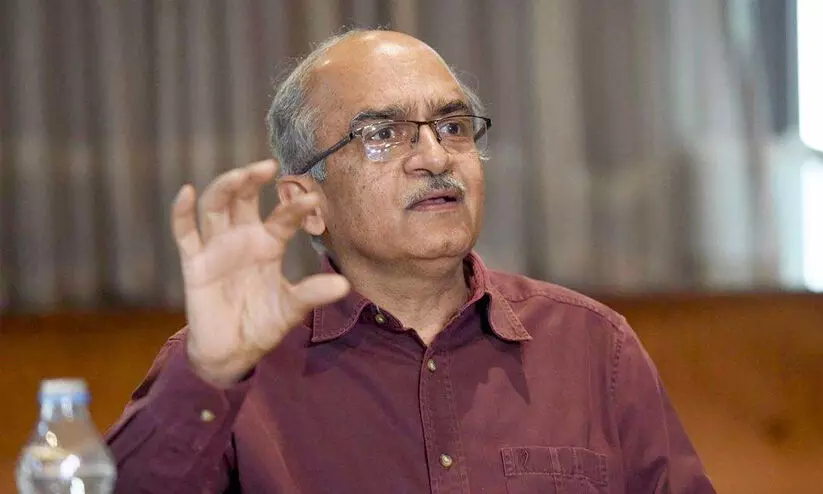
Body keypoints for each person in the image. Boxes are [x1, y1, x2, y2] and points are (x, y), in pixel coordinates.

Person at [105, 29, 715, 493]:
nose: (435, 157)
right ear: (305, 203)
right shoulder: (236, 364)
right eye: (382, 134)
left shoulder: (593, 346)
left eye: (452, 126)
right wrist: (208, 377)